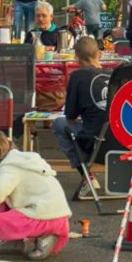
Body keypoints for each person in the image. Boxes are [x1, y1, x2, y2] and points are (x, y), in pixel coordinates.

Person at [0, 130, 72, 261]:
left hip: (47, 219)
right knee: (1, 204)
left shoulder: (9, 168)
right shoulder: (22, 161)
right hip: (56, 218)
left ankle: (46, 237)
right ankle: (14, 241)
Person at [51, 37, 110, 197]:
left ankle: (87, 177)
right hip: (122, 143)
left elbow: (70, 119)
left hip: (96, 145)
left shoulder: (78, 77)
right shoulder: (114, 76)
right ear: (100, 54)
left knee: (59, 123)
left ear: (76, 58)